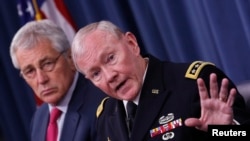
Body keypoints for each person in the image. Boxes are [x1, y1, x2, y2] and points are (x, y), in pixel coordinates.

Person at [71, 20, 250, 141]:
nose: (109, 76)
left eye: (110, 58)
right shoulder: (105, 116)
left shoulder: (195, 83)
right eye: (95, 74)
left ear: (132, 44)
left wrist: (224, 131)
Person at [9, 19, 106, 141]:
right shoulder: (39, 118)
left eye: (48, 64)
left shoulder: (103, 106)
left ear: (70, 58)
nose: (41, 79)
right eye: (30, 71)